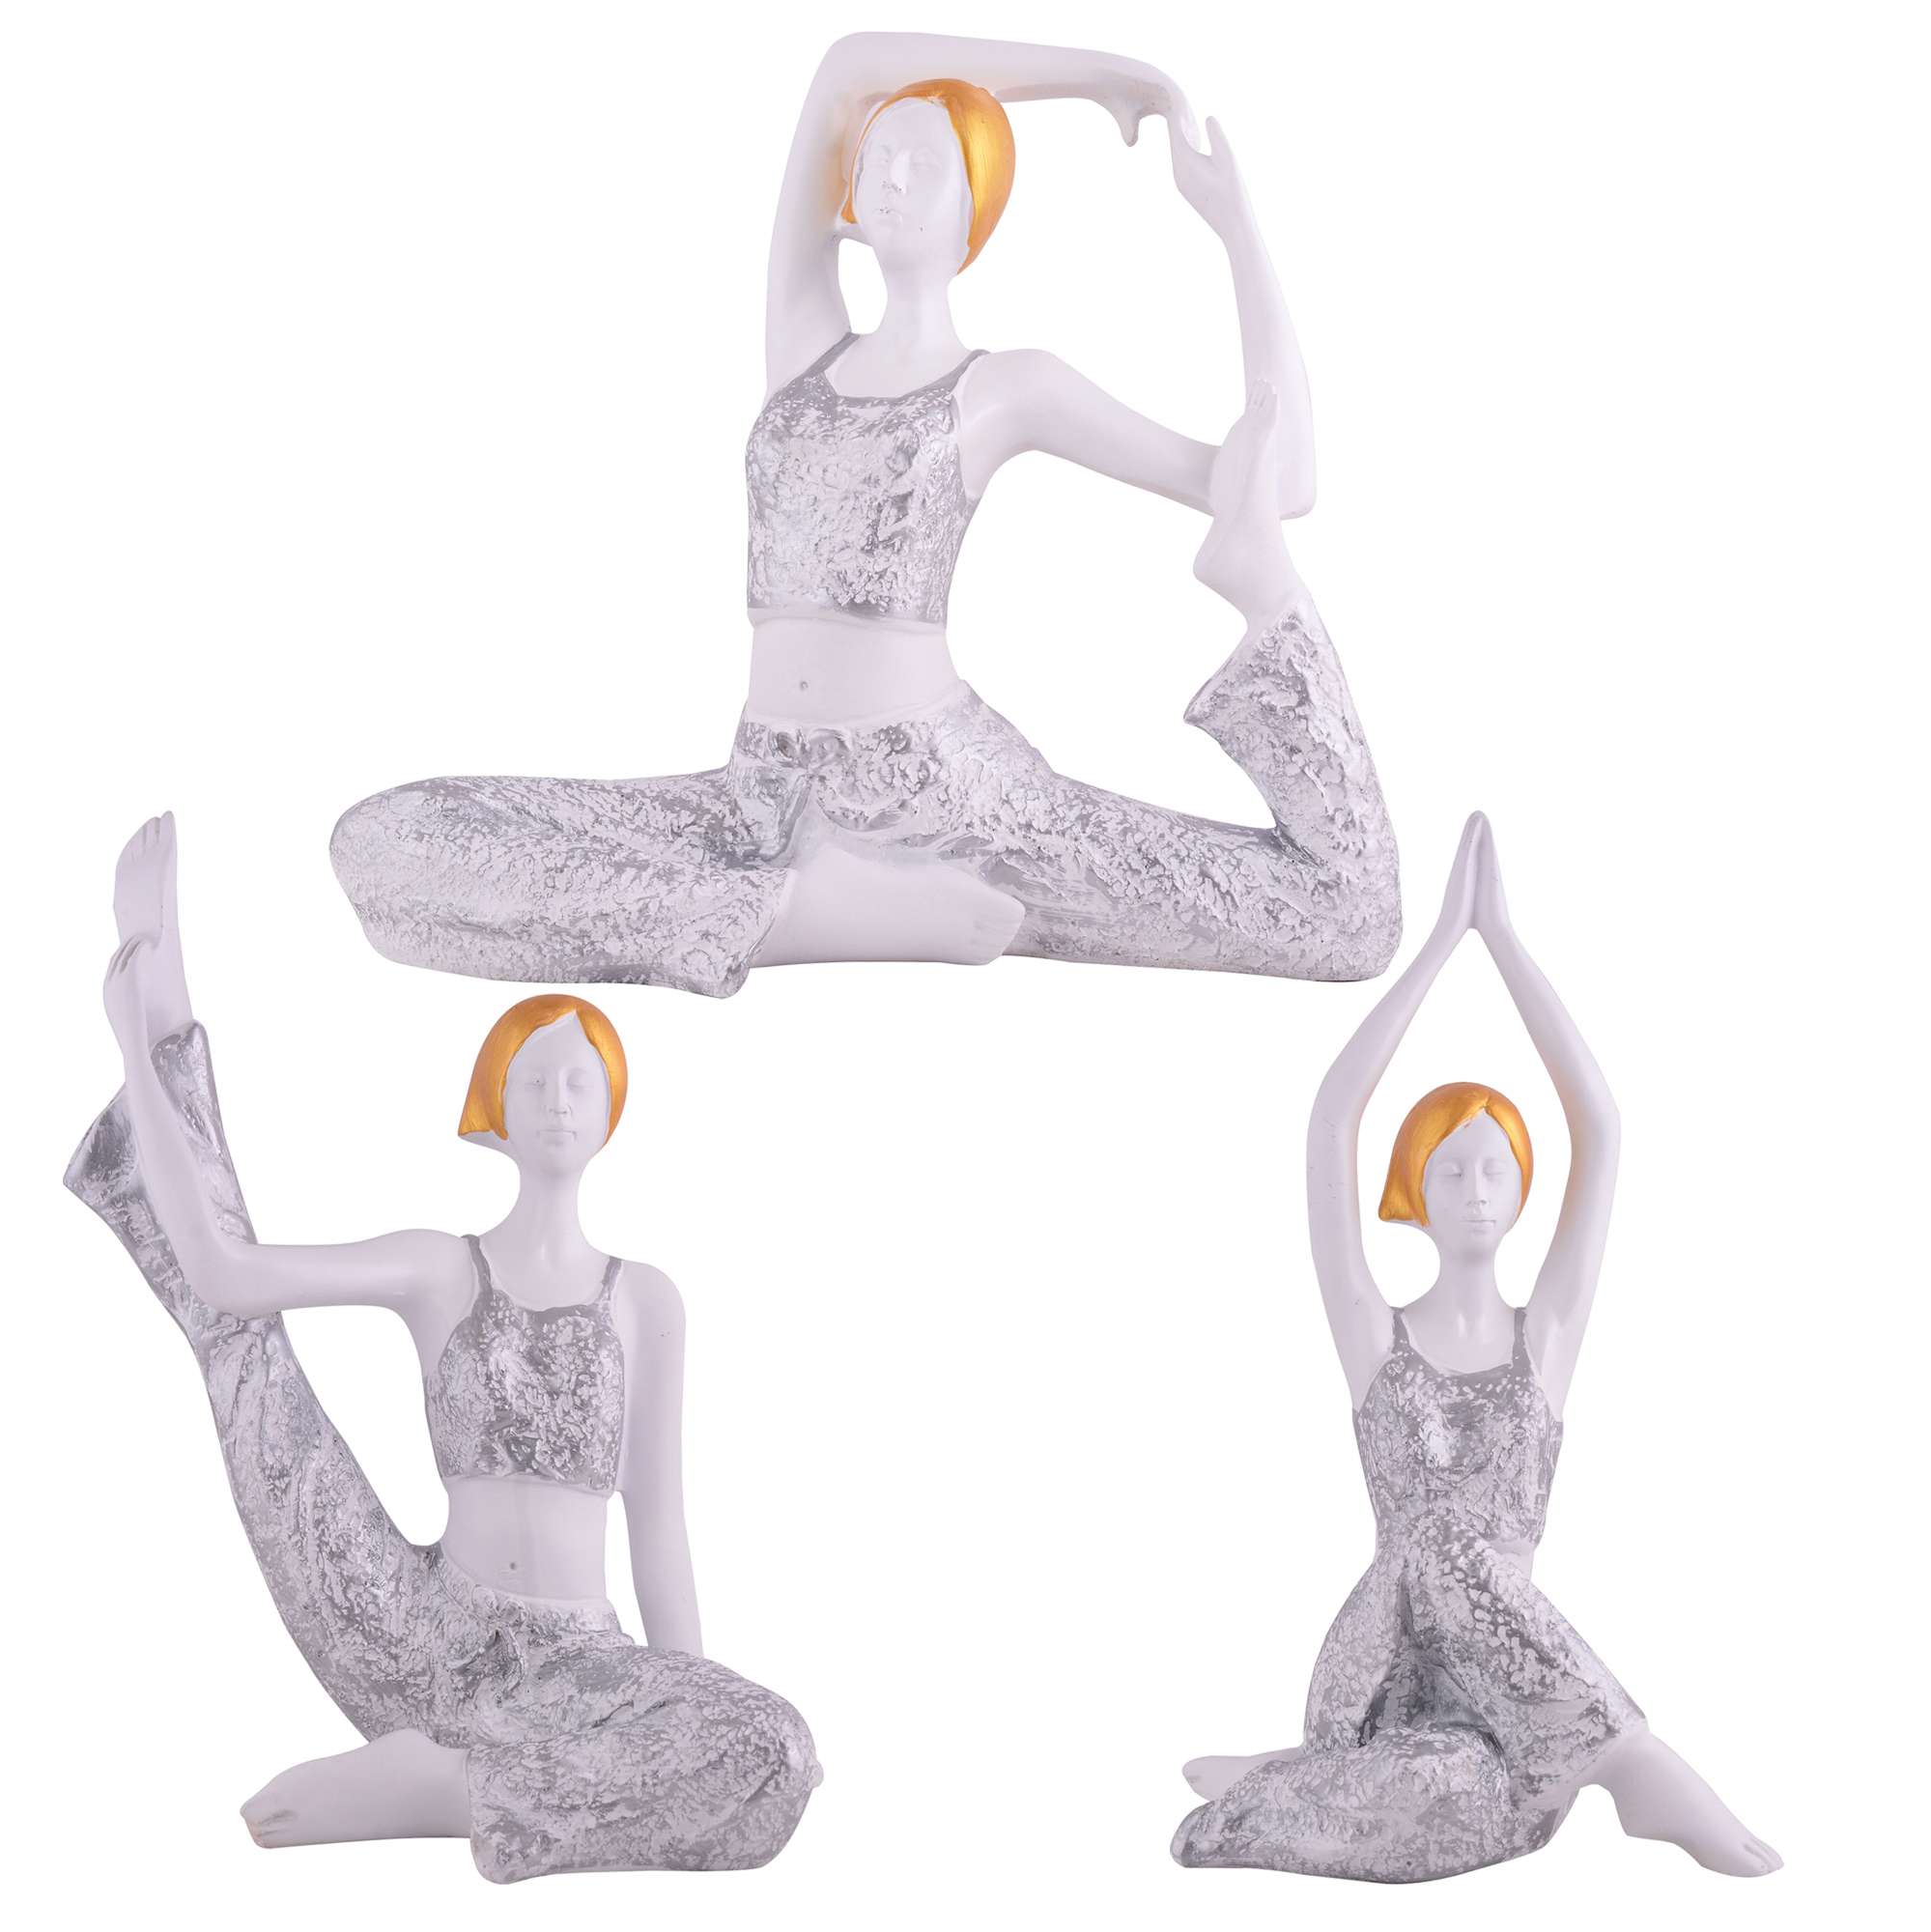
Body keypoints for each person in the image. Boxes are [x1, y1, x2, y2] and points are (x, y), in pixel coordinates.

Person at [329, 32, 1398, 997]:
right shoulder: (804, 348)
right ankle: (812, 915)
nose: (888, 178)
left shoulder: (1006, 387)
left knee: (1338, 920)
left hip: (952, 804)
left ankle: (810, 907)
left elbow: (1282, 478)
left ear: (976, 205)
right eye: (877, 157)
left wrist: (1233, 228)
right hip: (760, 801)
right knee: (388, 841)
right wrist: (1091, 76)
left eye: (923, 163)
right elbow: (847, 65)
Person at [69, 815, 819, 1882]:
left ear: (612, 1106)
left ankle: (450, 1790)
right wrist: (139, 1055)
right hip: (415, 1633)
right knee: (246, 1350)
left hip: (582, 1674)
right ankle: (166, 997)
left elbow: (659, 1528)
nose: (556, 1103)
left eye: (579, 1082)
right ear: (493, 1105)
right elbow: (230, 1273)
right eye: (534, 1081)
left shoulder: (645, 1301)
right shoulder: (440, 1267)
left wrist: (676, 1711)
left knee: (771, 1752)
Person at [1173, 814, 1779, 1882]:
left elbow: (1601, 1127)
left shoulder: (1544, 1342)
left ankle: (1295, 1783)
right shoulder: (1377, 1337)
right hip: (1384, 1671)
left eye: (1495, 1168)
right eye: (1450, 1169)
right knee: (1440, 1541)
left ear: (1523, 1187)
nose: (1476, 1190)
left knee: (1466, 1795)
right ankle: (1631, 1758)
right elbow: (1331, 1121)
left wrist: (1503, 941)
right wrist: (1435, 949)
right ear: (1413, 1184)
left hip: (1515, 1714)